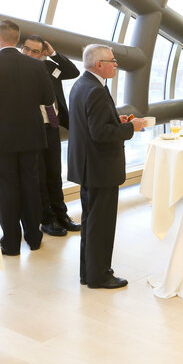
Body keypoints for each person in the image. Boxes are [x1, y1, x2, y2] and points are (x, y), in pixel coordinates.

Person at [0, 20, 54, 256]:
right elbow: (47, 97)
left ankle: (11, 243)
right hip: (31, 137)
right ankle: (34, 238)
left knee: (6, 190)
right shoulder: (36, 66)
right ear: (17, 40)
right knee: (30, 186)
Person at [67, 44, 144, 288]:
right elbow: (100, 133)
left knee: (91, 222)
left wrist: (116, 120)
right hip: (101, 168)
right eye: (112, 61)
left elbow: (92, 124)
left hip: (88, 166)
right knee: (101, 224)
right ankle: (99, 276)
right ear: (99, 64)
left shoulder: (82, 85)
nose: (116, 65)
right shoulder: (97, 90)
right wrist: (133, 127)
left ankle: (88, 273)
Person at [20, 35, 81, 237]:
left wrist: (54, 54)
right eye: (26, 49)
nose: (29, 54)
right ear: (21, 49)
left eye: (35, 51)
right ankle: (46, 219)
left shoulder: (49, 68)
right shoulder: (17, 70)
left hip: (52, 125)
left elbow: (73, 71)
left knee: (54, 173)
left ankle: (61, 214)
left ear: (42, 53)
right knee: (39, 176)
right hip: (31, 129)